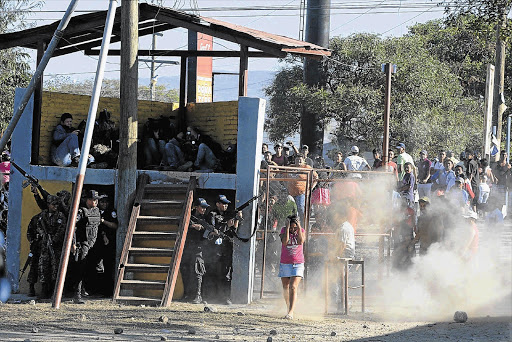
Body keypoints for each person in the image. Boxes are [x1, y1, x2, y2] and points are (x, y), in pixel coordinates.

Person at [208, 194, 241, 304]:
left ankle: (225, 297)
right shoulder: (212, 214)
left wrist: (236, 220)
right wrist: (226, 225)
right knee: (215, 273)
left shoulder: (228, 214)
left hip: (227, 247)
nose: (226, 205)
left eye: (227, 204)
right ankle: (213, 296)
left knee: (227, 273)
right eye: (223, 203)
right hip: (215, 249)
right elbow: (215, 230)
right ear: (217, 204)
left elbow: (233, 231)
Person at [71, 190, 102, 304]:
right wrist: (73, 243)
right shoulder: (81, 211)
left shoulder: (97, 211)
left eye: (96, 200)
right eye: (93, 200)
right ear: (87, 200)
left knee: (97, 269)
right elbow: (73, 228)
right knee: (80, 269)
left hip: (94, 244)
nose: (95, 202)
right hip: (83, 244)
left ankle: (88, 290)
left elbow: (98, 226)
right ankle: (77, 295)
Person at [35, 195, 67, 299]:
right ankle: (45, 290)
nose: (56, 207)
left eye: (57, 204)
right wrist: (44, 235)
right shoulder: (43, 215)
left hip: (56, 246)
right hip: (45, 245)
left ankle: (55, 290)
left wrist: (53, 239)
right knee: (43, 267)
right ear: (48, 204)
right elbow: (38, 226)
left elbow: (62, 229)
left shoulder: (60, 216)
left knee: (56, 267)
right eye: (53, 204)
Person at [86, 194, 118, 297]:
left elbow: (115, 225)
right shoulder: (95, 212)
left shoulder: (111, 212)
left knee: (108, 267)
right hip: (95, 244)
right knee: (93, 267)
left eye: (106, 202)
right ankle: (94, 289)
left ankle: (107, 291)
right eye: (102, 202)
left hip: (108, 245)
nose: (104, 204)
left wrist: (103, 221)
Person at [183, 198, 213, 304]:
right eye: (202, 207)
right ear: (196, 207)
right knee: (185, 270)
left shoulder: (206, 219)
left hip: (198, 248)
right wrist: (192, 226)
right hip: (187, 247)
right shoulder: (188, 216)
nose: (204, 209)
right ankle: (187, 294)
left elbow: (209, 232)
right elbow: (180, 224)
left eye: (205, 207)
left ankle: (198, 295)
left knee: (198, 271)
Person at [278, 215, 305, 320]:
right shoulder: (284, 230)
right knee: (286, 287)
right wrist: (287, 228)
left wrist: (298, 227)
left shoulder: (301, 230)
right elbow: (285, 242)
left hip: (298, 263)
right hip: (285, 262)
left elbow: (300, 241)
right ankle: (288, 308)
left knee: (293, 286)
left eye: (295, 227)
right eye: (292, 228)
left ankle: (291, 311)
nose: (293, 230)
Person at [286, 154, 318, 225]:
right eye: (297, 159)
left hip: (301, 192)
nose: (298, 161)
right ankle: (293, 225)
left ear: (304, 160)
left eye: (300, 159)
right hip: (291, 192)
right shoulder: (291, 167)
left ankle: (304, 224)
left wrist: (311, 187)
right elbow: (284, 175)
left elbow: (316, 177)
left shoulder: (306, 167)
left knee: (300, 208)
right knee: (291, 209)